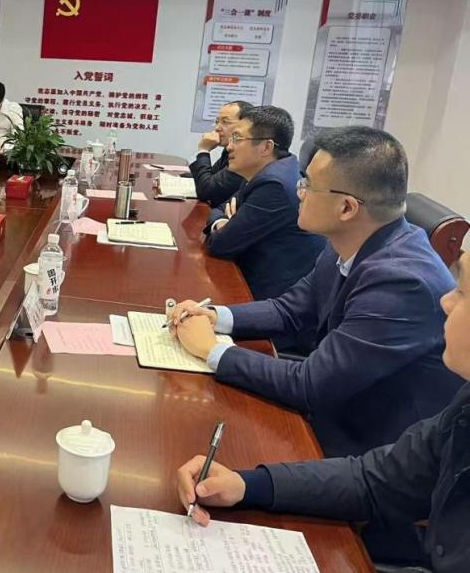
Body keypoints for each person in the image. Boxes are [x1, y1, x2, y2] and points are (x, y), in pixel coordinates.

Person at [175, 249, 470, 573]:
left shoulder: (405, 280)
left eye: (462, 291)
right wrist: (247, 485)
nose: (445, 301)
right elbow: (374, 480)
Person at [169, 126, 461, 459]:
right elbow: (290, 309)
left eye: (307, 185)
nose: (299, 193)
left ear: (347, 208)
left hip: (366, 450)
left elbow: (310, 385)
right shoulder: (349, 241)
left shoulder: (401, 283)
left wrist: (211, 349)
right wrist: (214, 316)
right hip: (335, 412)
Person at [203, 105, 325, 300]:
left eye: (237, 139)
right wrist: (222, 222)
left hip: (273, 298)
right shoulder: (265, 170)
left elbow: (221, 245)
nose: (229, 147)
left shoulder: (274, 184)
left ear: (266, 147)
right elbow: (219, 208)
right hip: (253, 277)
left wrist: (228, 226)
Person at [189, 100, 249, 207]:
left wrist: (204, 150)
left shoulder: (245, 157)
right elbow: (211, 176)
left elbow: (206, 191)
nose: (217, 128)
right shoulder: (229, 149)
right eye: (217, 122)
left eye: (225, 122)